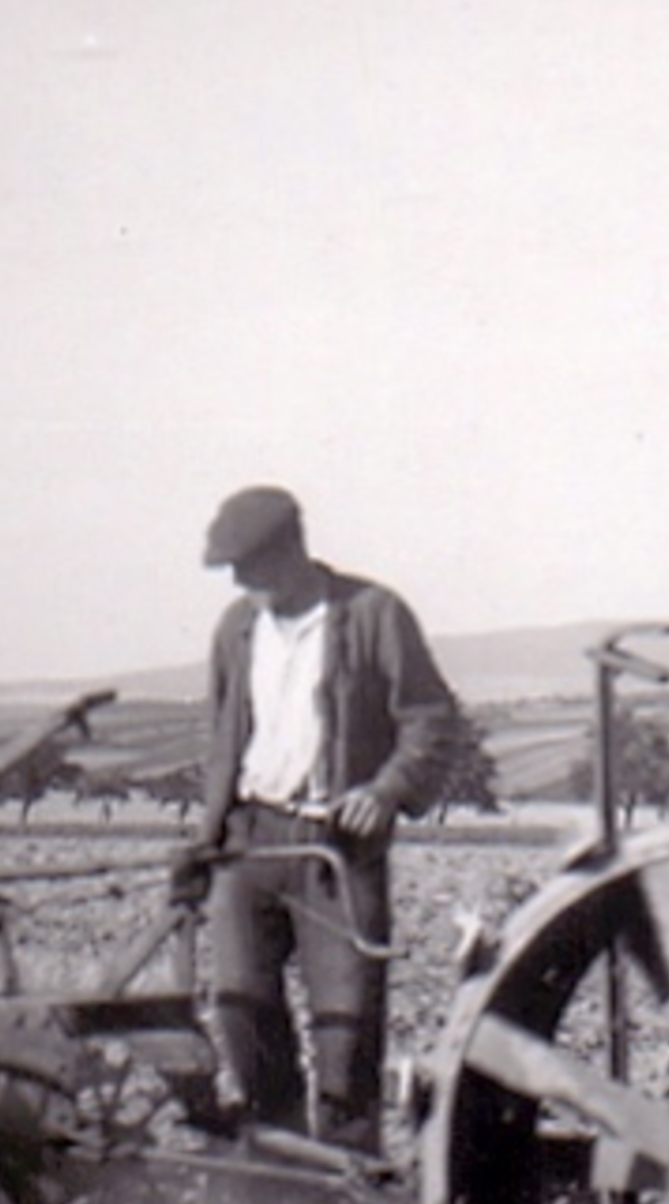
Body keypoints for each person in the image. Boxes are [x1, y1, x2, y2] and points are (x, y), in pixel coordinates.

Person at [181, 485, 460, 1152]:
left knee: (346, 1026)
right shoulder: (237, 629)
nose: (240, 583)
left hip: (335, 849)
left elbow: (431, 719)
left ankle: (347, 1176)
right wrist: (207, 834)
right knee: (241, 1009)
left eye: (249, 567)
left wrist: (386, 790)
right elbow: (222, 734)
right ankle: (280, 1169)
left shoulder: (373, 614)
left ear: (291, 549)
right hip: (248, 841)